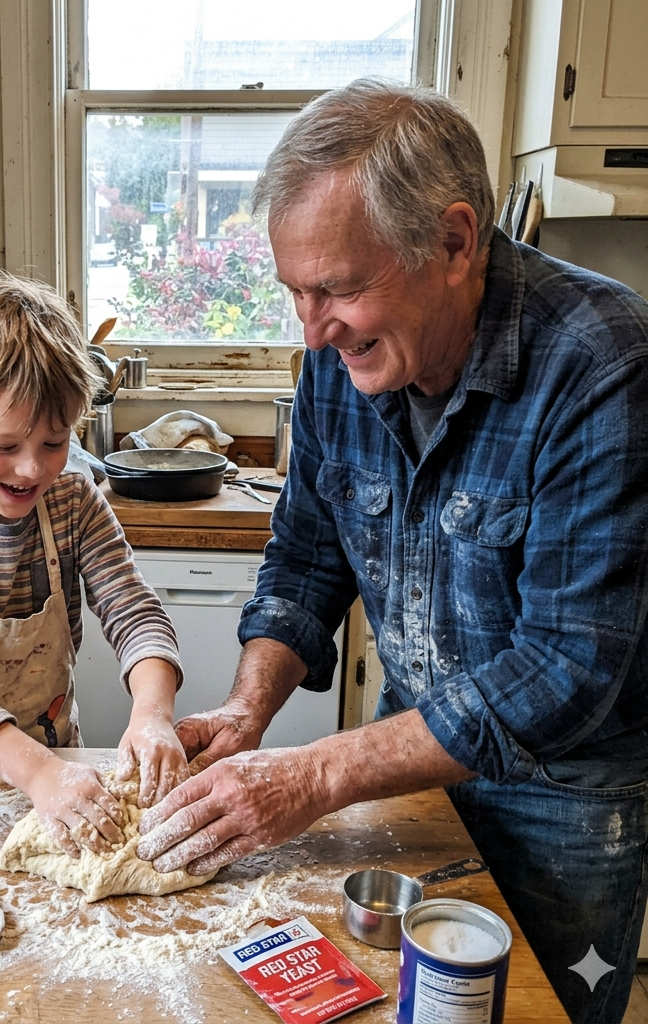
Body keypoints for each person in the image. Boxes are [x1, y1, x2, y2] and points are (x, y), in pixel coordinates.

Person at [134, 80, 648, 1023]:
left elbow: (571, 664)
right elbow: (306, 557)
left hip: (567, 792)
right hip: (411, 744)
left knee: (541, 1010)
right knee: (400, 1002)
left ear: (454, 243)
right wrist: (250, 712)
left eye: (336, 288)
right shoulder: (336, 361)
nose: (312, 328)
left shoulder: (604, 362)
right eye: (294, 291)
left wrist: (319, 772)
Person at [0, 276, 187, 858]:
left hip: (58, 756)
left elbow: (134, 611)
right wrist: (38, 775)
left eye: (54, 442)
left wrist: (152, 713)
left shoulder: (73, 499)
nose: (31, 469)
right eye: (4, 446)